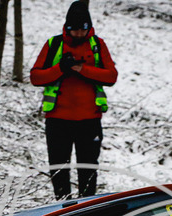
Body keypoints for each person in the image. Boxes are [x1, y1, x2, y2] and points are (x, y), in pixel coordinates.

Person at [30, 1, 117, 199]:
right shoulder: (54, 44)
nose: (79, 34)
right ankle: (63, 207)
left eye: (83, 29)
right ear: (67, 28)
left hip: (89, 121)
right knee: (59, 169)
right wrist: (61, 68)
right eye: (74, 30)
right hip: (58, 120)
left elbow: (111, 76)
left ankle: (87, 208)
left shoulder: (97, 45)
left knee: (88, 169)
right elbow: (36, 77)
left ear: (89, 28)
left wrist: (82, 69)